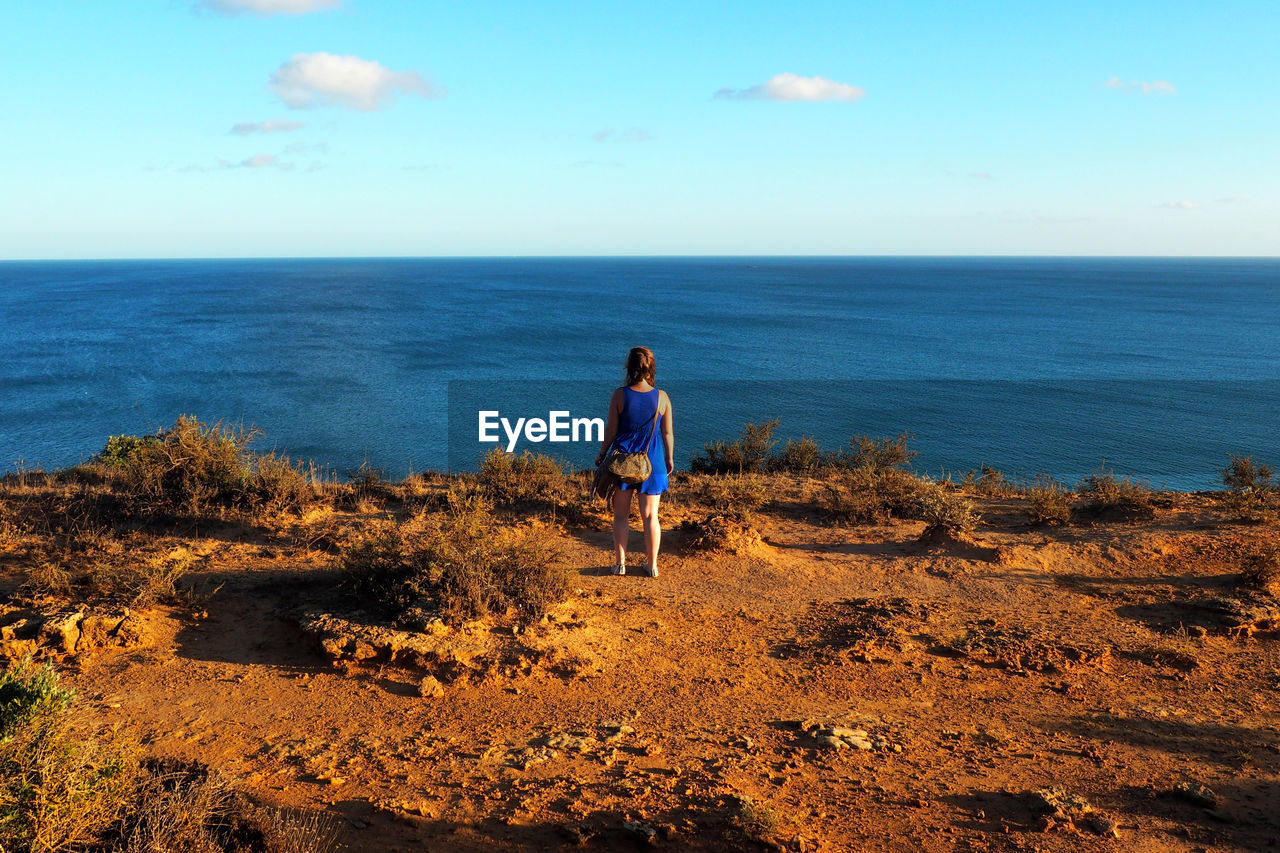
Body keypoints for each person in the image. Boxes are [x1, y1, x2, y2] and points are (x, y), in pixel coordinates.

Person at [595, 346, 674, 577]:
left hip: (623, 462)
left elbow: (611, 430)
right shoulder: (662, 397)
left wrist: (602, 454)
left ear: (629, 368)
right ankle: (652, 566)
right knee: (651, 517)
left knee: (620, 515)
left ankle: (619, 564)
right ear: (651, 368)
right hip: (654, 461)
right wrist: (669, 458)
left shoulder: (620, 395)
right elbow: (667, 433)